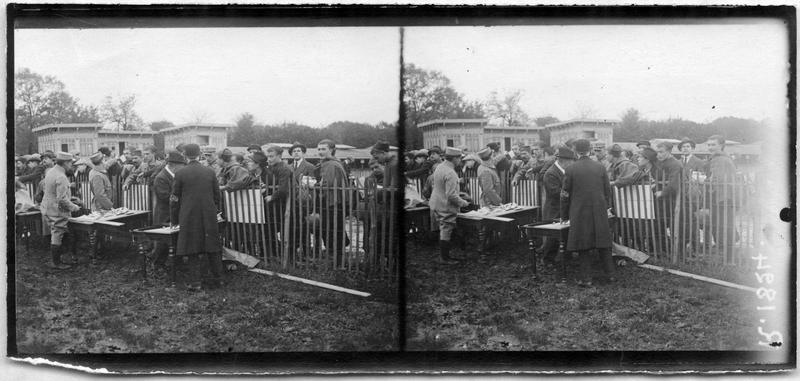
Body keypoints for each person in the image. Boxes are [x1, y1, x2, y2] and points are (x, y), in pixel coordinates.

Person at [560, 139, 615, 287]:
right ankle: (610, 276)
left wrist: (564, 215)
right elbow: (607, 191)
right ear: (590, 150)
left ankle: (586, 279)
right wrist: (605, 207)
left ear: (575, 151)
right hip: (599, 209)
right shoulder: (600, 167)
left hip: (579, 211)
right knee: (603, 243)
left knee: (583, 244)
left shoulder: (570, 169)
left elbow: (565, 194)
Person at [170, 143, 223, 290]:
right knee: (212, 247)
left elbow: (174, 198)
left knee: (191, 248)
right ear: (199, 155)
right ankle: (219, 280)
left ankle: (195, 283)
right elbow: (217, 195)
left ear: (185, 156)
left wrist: (174, 219)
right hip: (209, 214)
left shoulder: (180, 173)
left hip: (189, 215)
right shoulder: (210, 172)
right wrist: (213, 209)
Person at [41, 152, 84, 269]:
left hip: (48, 207)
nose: (71, 165)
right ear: (65, 163)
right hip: (57, 210)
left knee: (58, 233)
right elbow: (62, 199)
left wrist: (70, 198)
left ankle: (61, 258)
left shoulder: (51, 172)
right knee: (57, 233)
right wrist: (74, 207)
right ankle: (57, 263)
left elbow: (53, 191)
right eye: (71, 163)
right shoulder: (61, 176)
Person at [430, 147, 471, 264]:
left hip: (436, 202)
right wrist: (464, 203)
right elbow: (451, 195)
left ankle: (446, 256)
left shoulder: (440, 167)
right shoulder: (450, 172)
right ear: (454, 158)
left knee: (445, 229)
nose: (460, 161)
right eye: (459, 158)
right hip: (445, 205)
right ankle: (445, 258)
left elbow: (440, 185)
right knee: (446, 230)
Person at [313, 139, 351, 266]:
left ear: (332, 150)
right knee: (330, 228)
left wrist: (314, 185)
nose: (320, 152)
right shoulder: (327, 163)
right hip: (329, 201)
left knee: (332, 229)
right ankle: (335, 255)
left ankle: (336, 258)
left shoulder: (332, 165)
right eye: (319, 149)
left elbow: (327, 184)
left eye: (324, 149)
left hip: (333, 202)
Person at [541, 146, 576, 269]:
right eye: (572, 161)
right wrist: (573, 194)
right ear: (564, 160)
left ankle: (564, 257)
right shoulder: (550, 173)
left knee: (564, 234)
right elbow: (556, 192)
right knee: (552, 237)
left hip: (563, 208)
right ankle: (547, 259)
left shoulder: (564, 170)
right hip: (554, 210)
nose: (573, 164)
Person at [705, 135, 737, 262]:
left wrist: (704, 180)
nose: (710, 147)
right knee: (720, 224)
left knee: (724, 225)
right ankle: (725, 251)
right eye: (709, 145)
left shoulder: (722, 160)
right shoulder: (717, 158)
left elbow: (719, 179)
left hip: (723, 197)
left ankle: (728, 256)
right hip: (719, 196)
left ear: (721, 145)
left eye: (713, 145)